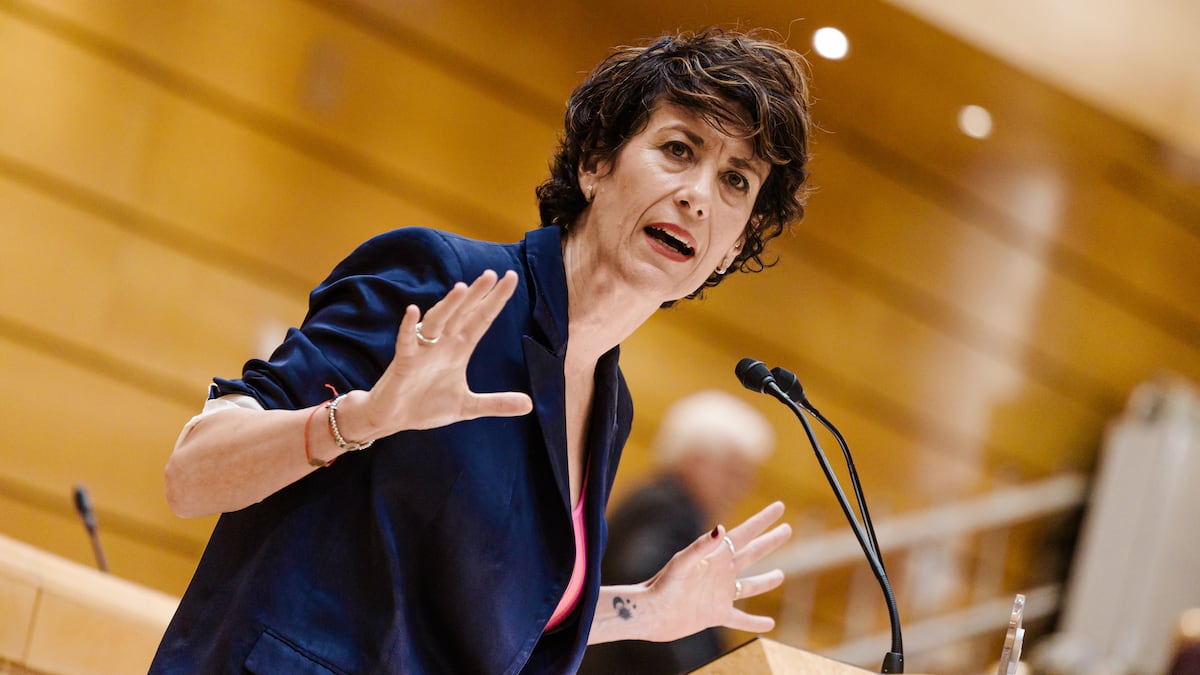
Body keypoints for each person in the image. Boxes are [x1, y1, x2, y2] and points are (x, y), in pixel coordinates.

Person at [150, 26, 812, 674]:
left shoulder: (611, 408)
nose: (698, 197)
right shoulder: (444, 280)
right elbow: (192, 472)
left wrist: (645, 609)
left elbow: (488, 618)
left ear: (733, 247)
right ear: (596, 164)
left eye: (736, 180)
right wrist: (360, 418)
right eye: (678, 149)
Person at [578, 390, 775, 674]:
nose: (740, 488)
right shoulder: (666, 509)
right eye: (733, 472)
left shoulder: (665, 504)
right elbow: (641, 577)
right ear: (695, 460)